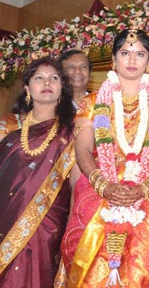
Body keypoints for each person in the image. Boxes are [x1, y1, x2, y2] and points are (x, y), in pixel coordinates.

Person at [56, 29, 149, 288]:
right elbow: (83, 149)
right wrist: (104, 184)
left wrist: (145, 186)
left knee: (141, 267)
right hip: (97, 186)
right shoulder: (92, 102)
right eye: (125, 53)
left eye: (140, 54)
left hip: (147, 190)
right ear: (113, 61)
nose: (132, 60)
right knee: (87, 263)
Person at [0, 57, 76, 288]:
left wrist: (73, 228)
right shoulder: (8, 127)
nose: (47, 83)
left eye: (54, 78)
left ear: (62, 88)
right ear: (27, 88)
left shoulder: (74, 131)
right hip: (5, 218)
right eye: (38, 78)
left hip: (49, 225)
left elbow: (77, 184)